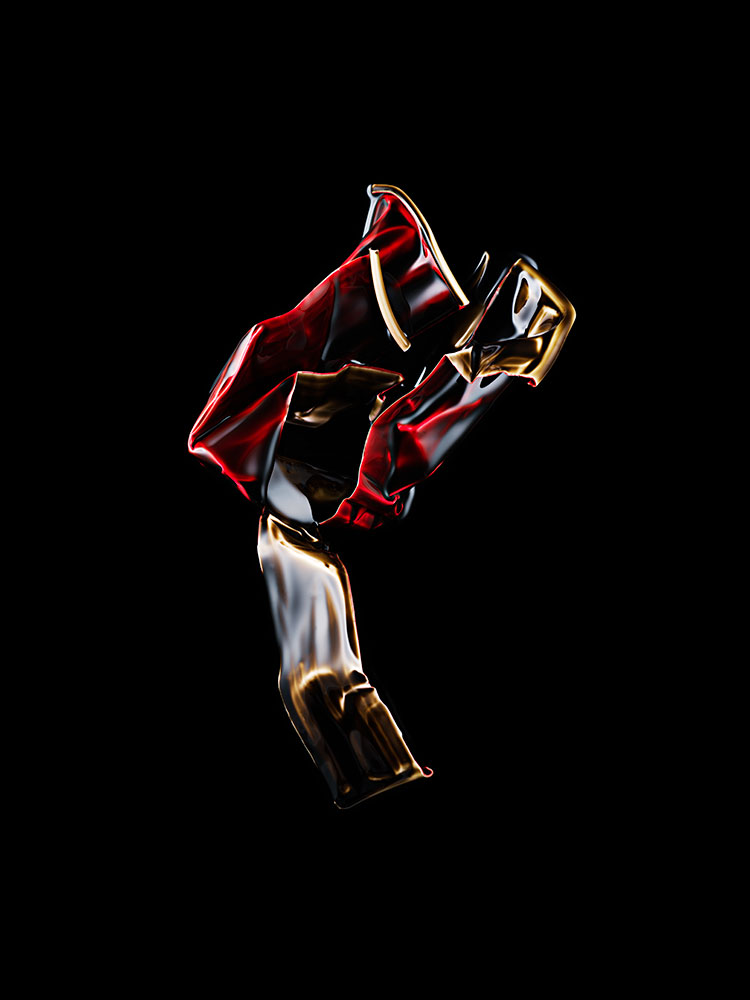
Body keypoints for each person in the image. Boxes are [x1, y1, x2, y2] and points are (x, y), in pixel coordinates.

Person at [188, 184, 575, 807]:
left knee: (252, 446)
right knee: (305, 471)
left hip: (299, 501)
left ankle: (440, 297)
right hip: (305, 505)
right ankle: (461, 310)